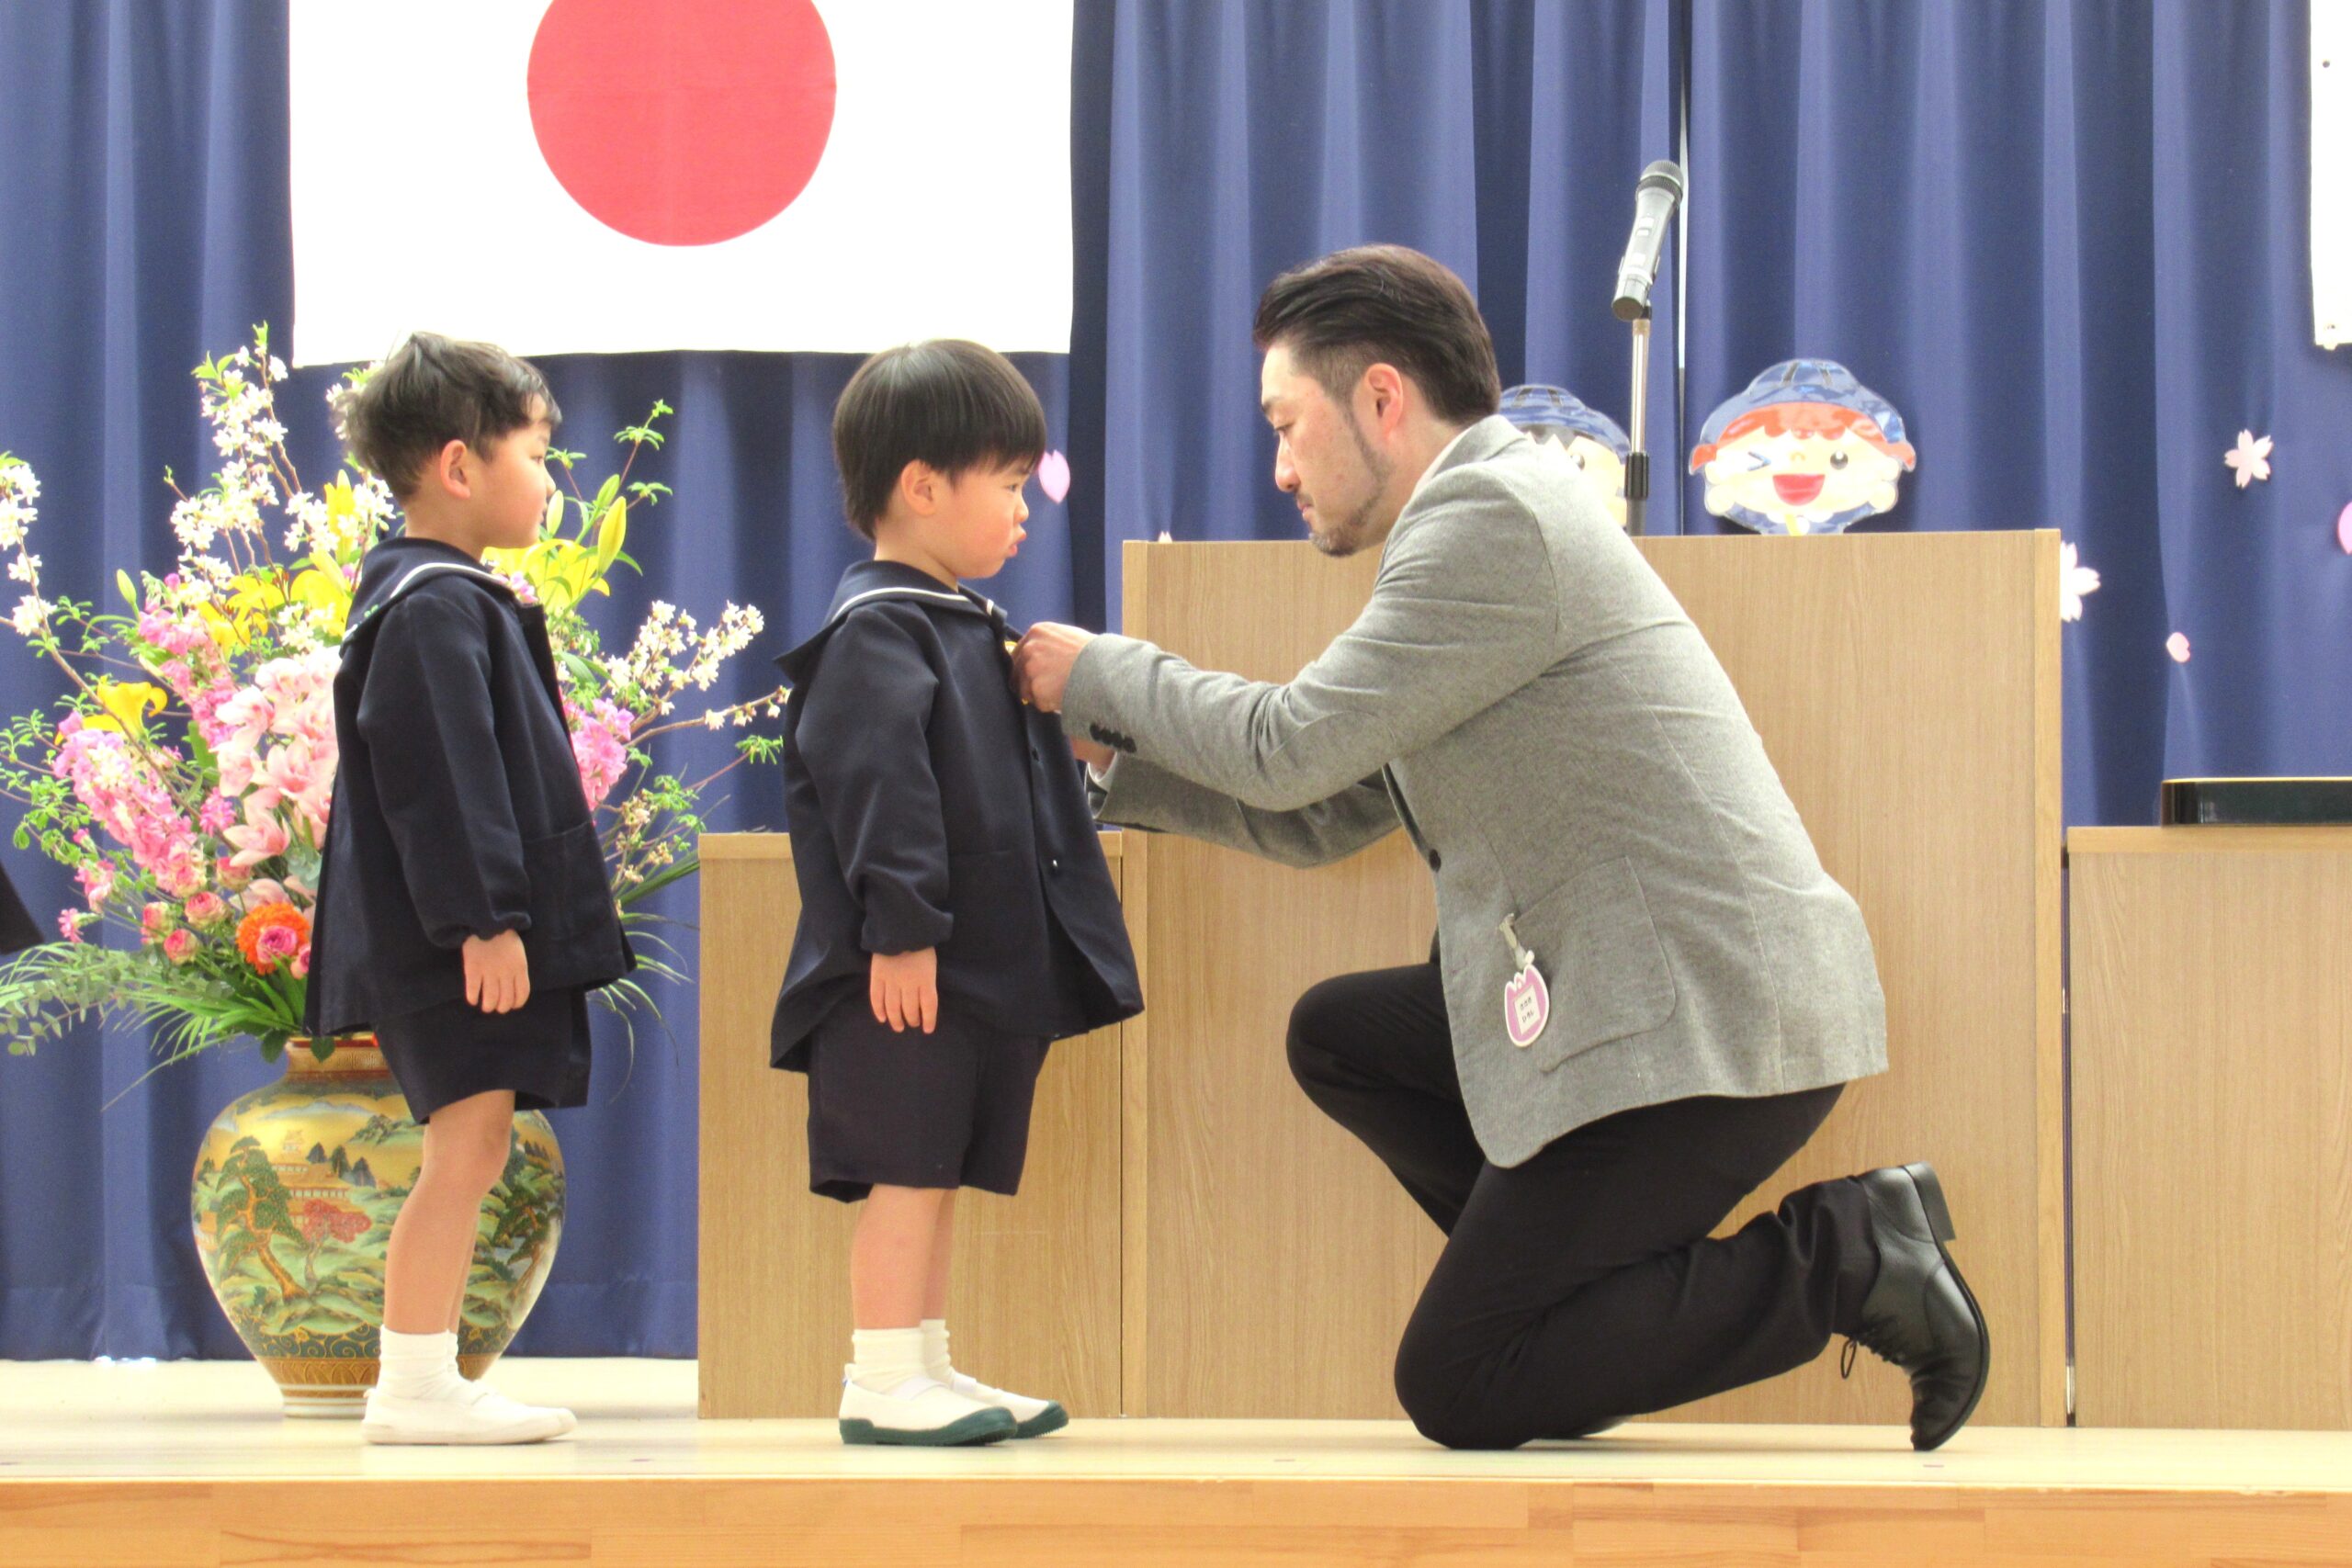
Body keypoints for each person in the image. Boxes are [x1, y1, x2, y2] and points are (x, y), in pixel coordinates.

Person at [1012, 245, 1990, 1451]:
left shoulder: (1490, 520)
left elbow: (1287, 746)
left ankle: (1849, 1255)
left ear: (1381, 397)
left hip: (1706, 1013)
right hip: (1634, 999)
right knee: (1343, 1038)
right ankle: (1569, 1315)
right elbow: (1326, 810)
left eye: (1285, 425)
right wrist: (1114, 760)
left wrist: (1101, 674)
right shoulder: (1478, 519)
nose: (1279, 468)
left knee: (1460, 1383)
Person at [770, 340, 1142, 1447]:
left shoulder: (959, 623)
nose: (1025, 510)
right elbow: (879, 793)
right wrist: (901, 932)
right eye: (1009, 483)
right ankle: (881, 1376)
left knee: (936, 1168)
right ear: (922, 488)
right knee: (903, 1167)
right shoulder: (878, 630)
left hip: (964, 968)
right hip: (906, 967)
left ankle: (924, 1362)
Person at [306, 333, 635, 1445]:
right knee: (467, 1145)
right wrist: (484, 920)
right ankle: (411, 1385)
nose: (549, 481)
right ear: (459, 465)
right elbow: (444, 779)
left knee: (476, 1143)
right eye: (535, 455)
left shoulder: (440, 597)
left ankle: (423, 1377)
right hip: (457, 939)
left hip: (462, 932)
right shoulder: (431, 606)